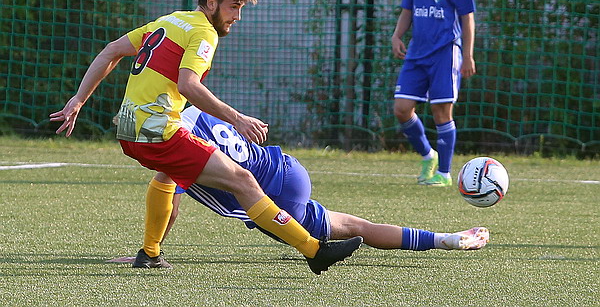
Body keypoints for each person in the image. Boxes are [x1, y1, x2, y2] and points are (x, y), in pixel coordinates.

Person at [50, 0, 362, 274]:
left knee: (169, 175)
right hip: (159, 131)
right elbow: (188, 85)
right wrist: (238, 119)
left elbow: (111, 51)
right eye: (233, 7)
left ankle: (150, 253)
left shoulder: (170, 20)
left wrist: (79, 99)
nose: (237, 17)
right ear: (211, 3)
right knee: (243, 181)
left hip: (130, 129)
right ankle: (314, 251)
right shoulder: (204, 32)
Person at [151, 106, 489, 254]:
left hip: (274, 197)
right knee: (358, 226)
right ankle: (445, 238)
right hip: (286, 168)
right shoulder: (195, 109)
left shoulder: (175, 140)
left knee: (354, 229)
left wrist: (150, 250)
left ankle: (443, 239)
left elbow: (170, 205)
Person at [391, 0, 476, 187]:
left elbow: (467, 18)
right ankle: (429, 155)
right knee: (401, 109)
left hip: (445, 53)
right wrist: (397, 35)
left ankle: (445, 174)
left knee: (441, 111)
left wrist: (468, 55)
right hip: (417, 52)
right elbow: (408, 9)